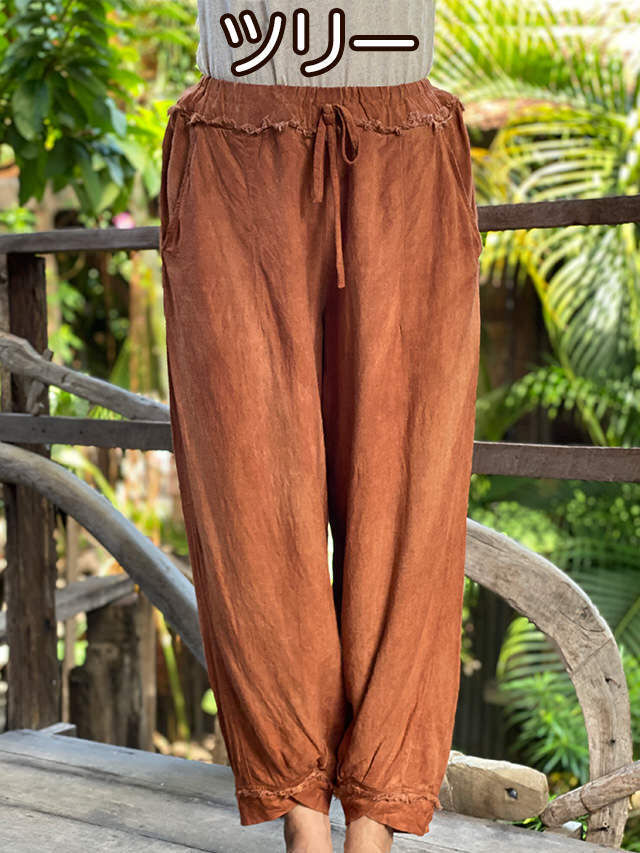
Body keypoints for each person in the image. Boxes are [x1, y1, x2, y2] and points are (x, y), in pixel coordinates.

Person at [159, 2, 482, 851]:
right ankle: (303, 822)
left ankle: (373, 826)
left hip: (401, 143)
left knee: (409, 490)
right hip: (236, 150)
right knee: (247, 488)